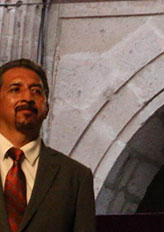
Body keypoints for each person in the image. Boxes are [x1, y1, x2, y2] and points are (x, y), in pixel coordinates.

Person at [0, 59, 95, 232]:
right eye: (15, 89)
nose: (27, 98)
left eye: (36, 91)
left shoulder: (75, 177)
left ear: (47, 108)